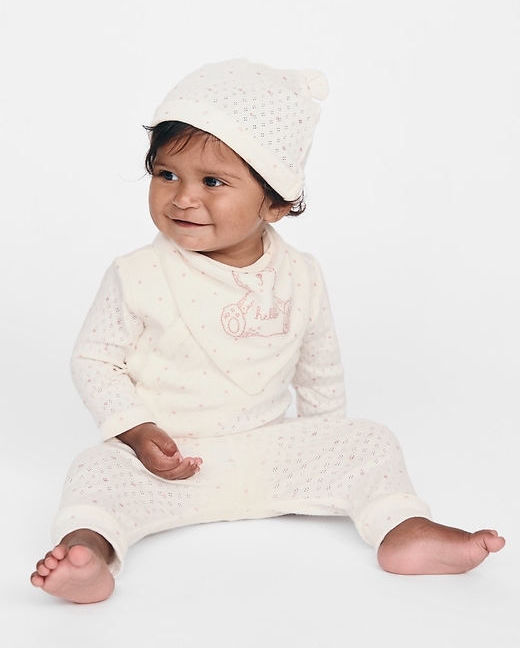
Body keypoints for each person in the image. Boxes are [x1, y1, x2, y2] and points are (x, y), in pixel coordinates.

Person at [31, 60, 505, 604]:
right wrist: (136, 431)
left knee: (372, 439)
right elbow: (95, 360)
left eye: (212, 182)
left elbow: (320, 369)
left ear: (276, 202)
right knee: (94, 469)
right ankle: (88, 553)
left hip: (267, 452)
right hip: (163, 463)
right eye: (166, 174)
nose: (183, 197)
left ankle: (404, 529)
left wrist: (325, 447)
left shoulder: (300, 275)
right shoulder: (136, 275)